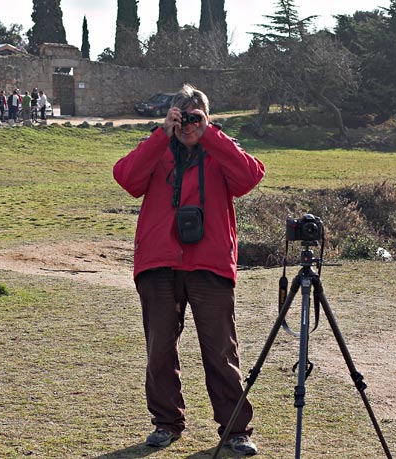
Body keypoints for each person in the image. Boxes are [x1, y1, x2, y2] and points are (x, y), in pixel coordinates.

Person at [113, 84, 265, 455]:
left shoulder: (218, 150)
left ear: (207, 117)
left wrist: (210, 134)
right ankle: (166, 423)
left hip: (209, 262)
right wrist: (160, 136)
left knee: (221, 351)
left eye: (195, 115)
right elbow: (127, 180)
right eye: (182, 116)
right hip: (159, 261)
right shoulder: (157, 149)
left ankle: (235, 430)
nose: (188, 124)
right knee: (159, 349)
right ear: (170, 117)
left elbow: (249, 177)